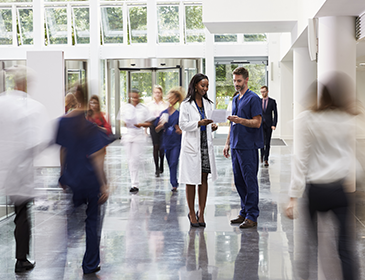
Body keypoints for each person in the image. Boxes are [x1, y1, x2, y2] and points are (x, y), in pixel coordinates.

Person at [285, 72, 358, 280]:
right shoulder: (346, 119)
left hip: (316, 190)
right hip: (339, 190)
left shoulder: (309, 119)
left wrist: (293, 197)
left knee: (309, 248)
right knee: (345, 249)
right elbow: (354, 156)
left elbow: (301, 158)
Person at [0, 65, 50, 273]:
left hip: (5, 167)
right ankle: (21, 259)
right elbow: (37, 142)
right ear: (26, 83)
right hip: (20, 171)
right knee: (22, 215)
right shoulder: (32, 107)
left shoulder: (2, 102)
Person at [56, 84, 110, 275]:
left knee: (71, 222)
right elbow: (97, 157)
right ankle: (90, 264)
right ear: (88, 100)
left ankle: (60, 259)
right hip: (91, 180)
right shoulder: (90, 127)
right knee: (92, 222)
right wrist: (104, 184)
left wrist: (63, 174)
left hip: (73, 178)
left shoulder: (63, 122)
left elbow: (63, 150)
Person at [223, 67, 263, 229]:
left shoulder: (253, 98)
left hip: (248, 147)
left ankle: (252, 215)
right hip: (236, 146)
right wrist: (227, 143)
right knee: (239, 181)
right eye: (234, 81)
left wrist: (241, 120)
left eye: (239, 81)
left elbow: (257, 122)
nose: (236, 84)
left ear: (246, 80)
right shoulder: (235, 99)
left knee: (249, 181)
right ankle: (244, 212)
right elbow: (232, 124)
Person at [179, 73, 218, 227]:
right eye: (203, 85)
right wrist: (199, 123)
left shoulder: (208, 103)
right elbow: (182, 125)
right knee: (191, 180)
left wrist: (211, 126)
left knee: (203, 179)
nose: (205, 88)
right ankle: (191, 212)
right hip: (191, 146)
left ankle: (201, 213)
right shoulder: (186, 105)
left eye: (207, 86)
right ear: (195, 85)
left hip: (204, 146)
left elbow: (208, 123)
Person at [119, 89, 154, 193]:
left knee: (135, 159)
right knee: (130, 160)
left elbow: (150, 122)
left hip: (138, 135)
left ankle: (135, 184)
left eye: (136, 97)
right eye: (132, 97)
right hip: (128, 135)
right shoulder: (126, 108)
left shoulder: (143, 108)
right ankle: (133, 182)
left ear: (139, 97)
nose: (134, 99)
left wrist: (141, 124)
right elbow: (123, 121)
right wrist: (126, 123)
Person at [155, 87, 185, 192]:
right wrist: (161, 125)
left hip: (176, 141)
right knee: (169, 161)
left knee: (173, 162)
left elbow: (183, 129)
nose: (170, 100)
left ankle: (174, 183)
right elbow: (157, 129)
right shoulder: (164, 113)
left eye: (172, 98)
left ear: (176, 99)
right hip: (166, 141)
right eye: (169, 98)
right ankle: (173, 180)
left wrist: (180, 130)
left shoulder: (179, 114)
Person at [148, 85, 168, 177]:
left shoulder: (165, 104)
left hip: (163, 126)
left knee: (162, 147)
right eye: (155, 92)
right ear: (153, 93)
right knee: (155, 146)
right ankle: (156, 168)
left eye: (159, 92)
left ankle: (161, 165)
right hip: (153, 127)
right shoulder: (149, 105)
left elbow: (167, 116)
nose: (157, 94)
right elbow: (147, 118)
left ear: (161, 93)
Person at [260, 86, 277, 167]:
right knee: (261, 141)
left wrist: (274, 124)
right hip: (260, 125)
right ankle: (261, 156)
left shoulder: (272, 101)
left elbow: (275, 114)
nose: (263, 93)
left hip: (269, 125)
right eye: (261, 92)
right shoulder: (259, 101)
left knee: (267, 142)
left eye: (264, 91)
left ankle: (266, 158)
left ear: (267, 91)